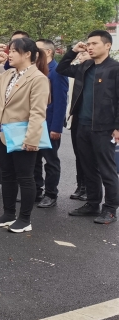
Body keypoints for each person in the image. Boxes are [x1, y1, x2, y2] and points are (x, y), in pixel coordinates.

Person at [0, 38, 50, 232]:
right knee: (8, 175)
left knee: (25, 177)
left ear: (27, 54)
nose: (9, 54)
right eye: (9, 50)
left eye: (13, 51)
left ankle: (25, 219)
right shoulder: (8, 74)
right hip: (4, 133)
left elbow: (38, 112)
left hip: (24, 135)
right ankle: (8, 213)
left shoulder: (38, 78)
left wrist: (32, 139)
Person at [57, 31, 119, 224]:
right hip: (81, 124)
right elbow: (61, 68)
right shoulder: (85, 66)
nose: (90, 47)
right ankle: (92, 204)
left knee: (107, 169)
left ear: (107, 45)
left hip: (104, 127)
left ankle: (110, 209)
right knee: (88, 167)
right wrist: (73, 51)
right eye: (88, 44)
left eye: (94, 43)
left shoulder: (115, 69)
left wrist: (117, 127)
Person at [34, 39, 69, 208]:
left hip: (49, 125)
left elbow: (61, 102)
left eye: (37, 49)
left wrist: (56, 127)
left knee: (51, 161)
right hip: (34, 124)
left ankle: (50, 194)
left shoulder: (57, 71)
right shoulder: (36, 69)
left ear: (48, 52)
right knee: (34, 160)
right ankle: (36, 190)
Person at [67, 49, 91, 201]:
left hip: (92, 121)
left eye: (84, 53)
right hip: (76, 118)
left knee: (91, 158)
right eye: (80, 54)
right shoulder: (77, 71)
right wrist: (72, 51)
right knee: (79, 154)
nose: (80, 56)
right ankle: (81, 185)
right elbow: (62, 68)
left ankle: (89, 188)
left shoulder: (100, 71)